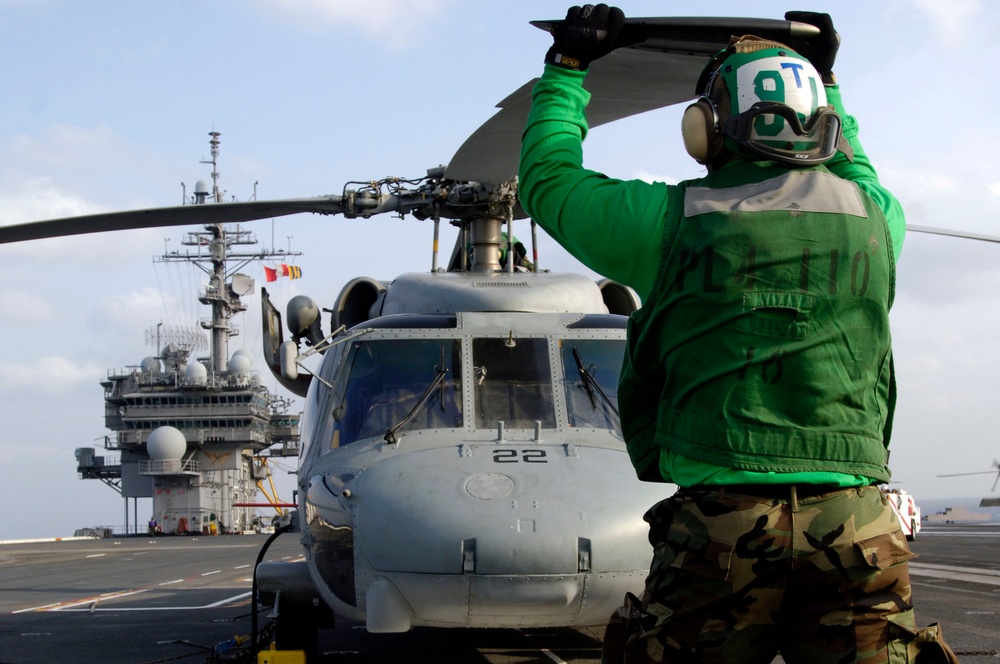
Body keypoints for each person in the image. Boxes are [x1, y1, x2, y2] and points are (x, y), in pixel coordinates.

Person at [519, 6, 958, 663]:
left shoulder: (667, 221)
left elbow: (549, 181)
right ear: (826, 129)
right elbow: (855, 171)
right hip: (858, 527)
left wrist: (567, 71)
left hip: (721, 530)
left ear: (707, 128)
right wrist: (826, 77)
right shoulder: (879, 220)